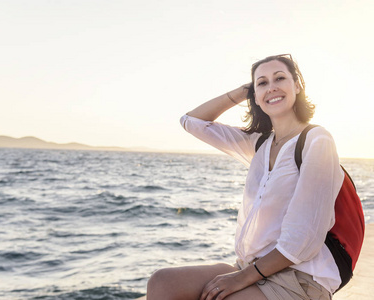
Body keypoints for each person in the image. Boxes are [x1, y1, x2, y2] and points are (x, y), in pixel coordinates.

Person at [146, 54, 344, 300]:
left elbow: (302, 240)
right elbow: (192, 121)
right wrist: (244, 92)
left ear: (297, 86)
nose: (271, 86)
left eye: (280, 78)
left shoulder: (317, 140)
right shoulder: (258, 143)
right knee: (163, 283)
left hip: (299, 277)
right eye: (262, 83)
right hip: (250, 267)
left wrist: (242, 278)